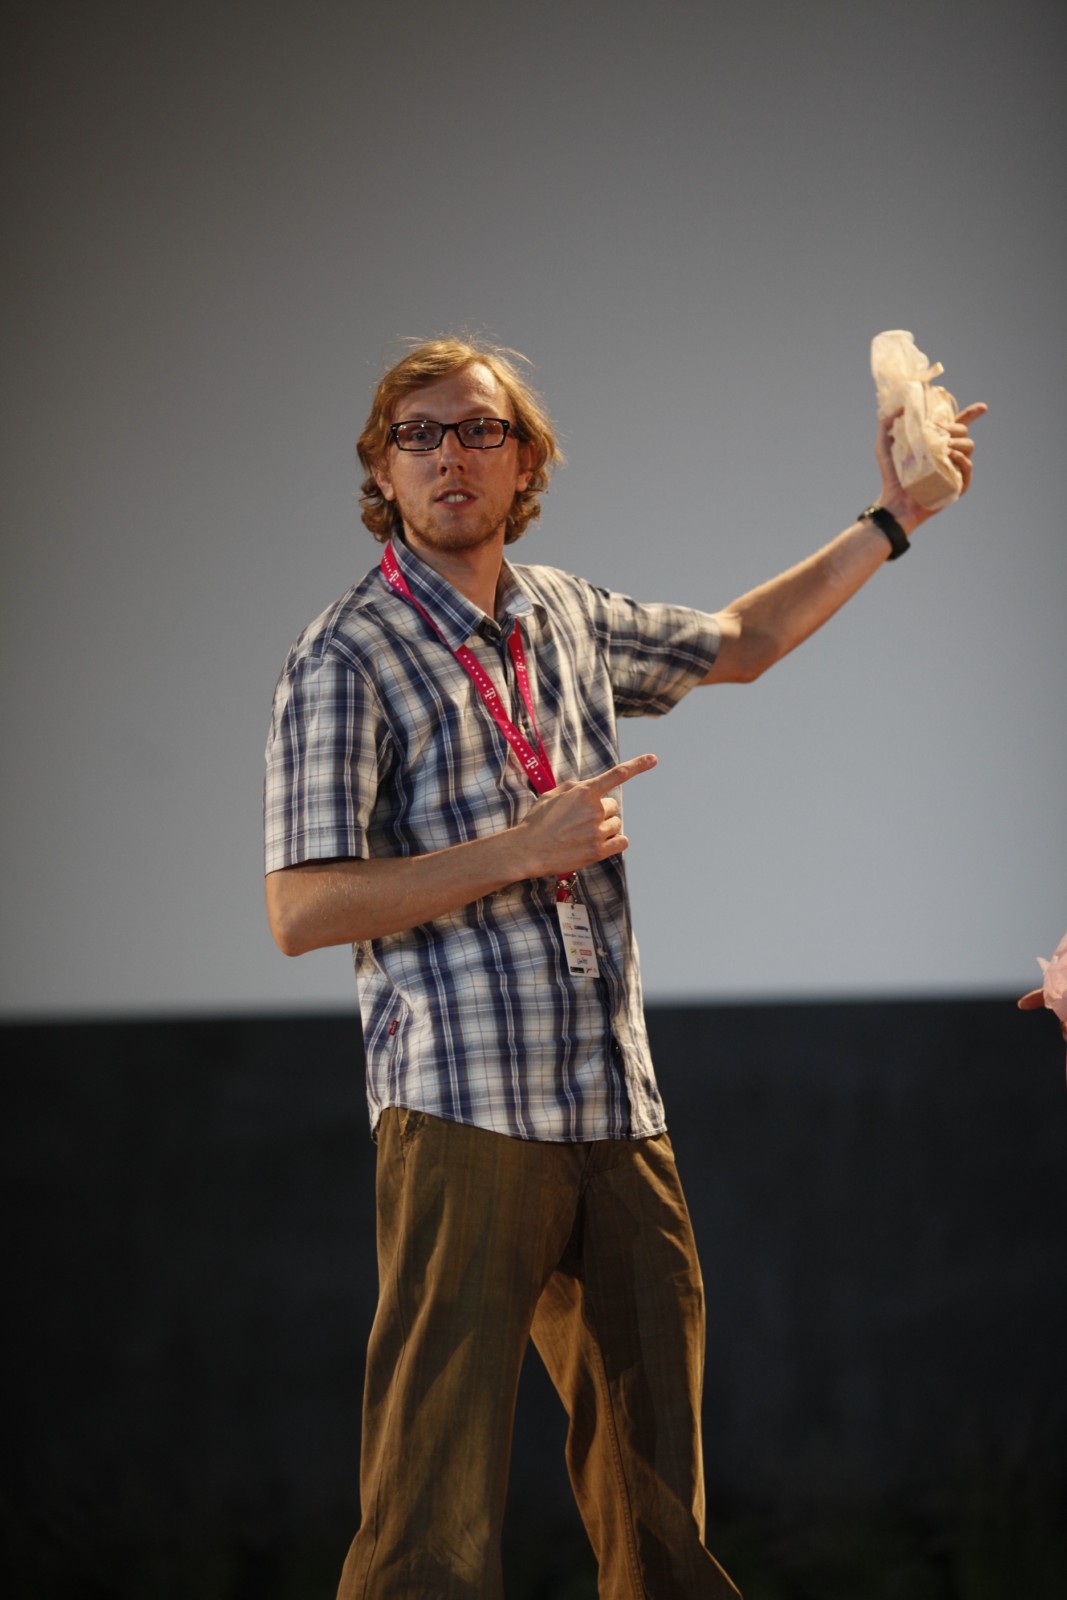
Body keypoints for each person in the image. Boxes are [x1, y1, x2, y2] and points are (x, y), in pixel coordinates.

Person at [263, 338, 985, 1599]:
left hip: (612, 1106)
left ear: (523, 461)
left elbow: (742, 640)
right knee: (429, 1527)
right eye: (418, 434)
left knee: (661, 1521)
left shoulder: (563, 613)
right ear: (381, 469)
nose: (448, 455)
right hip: (462, 1112)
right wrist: (518, 850)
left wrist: (895, 517)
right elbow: (299, 909)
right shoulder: (346, 654)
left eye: (478, 430)